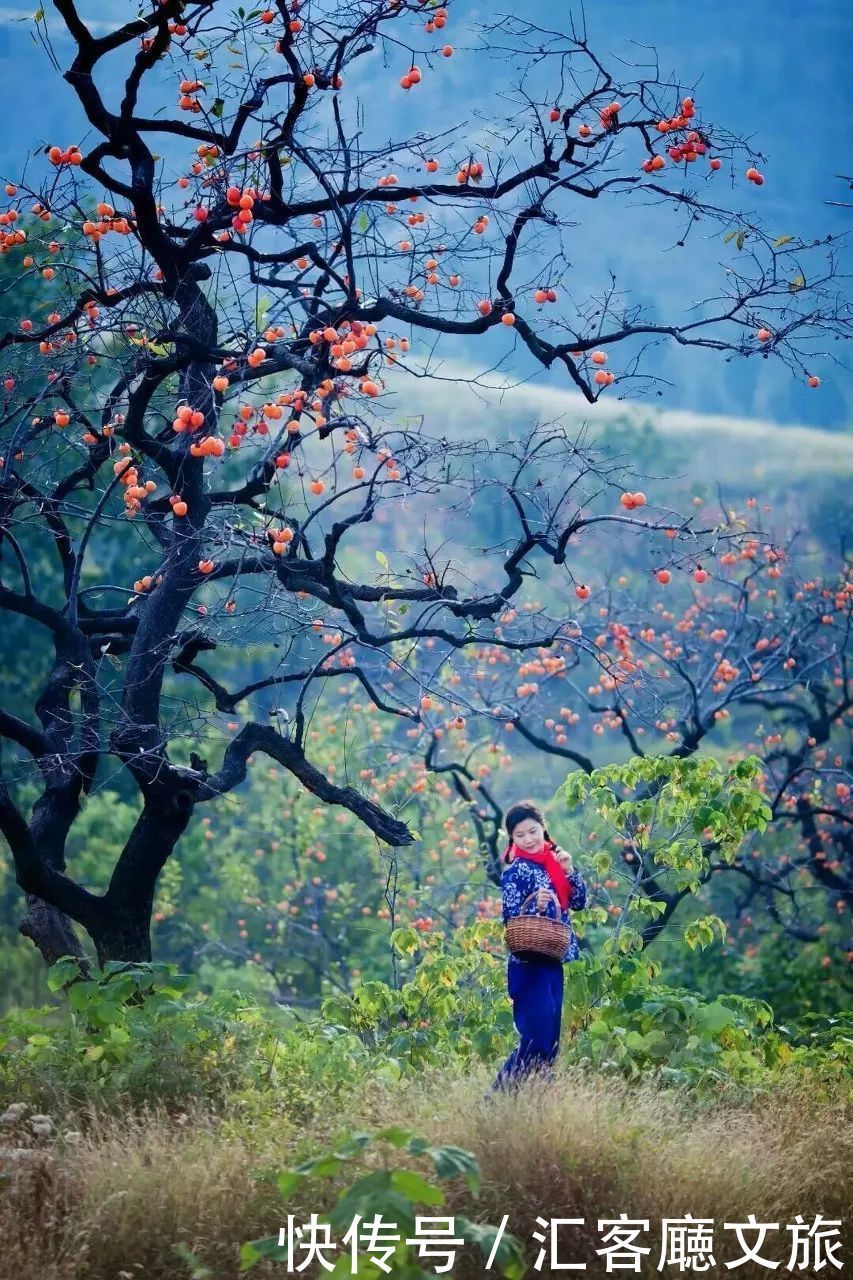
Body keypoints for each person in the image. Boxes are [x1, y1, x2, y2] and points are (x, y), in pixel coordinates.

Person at [491, 799, 587, 1092]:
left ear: (543, 829)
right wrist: (536, 907)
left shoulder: (554, 863)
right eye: (519, 835)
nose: (528, 839)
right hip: (528, 964)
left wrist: (569, 870)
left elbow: (579, 903)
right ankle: (495, 1102)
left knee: (550, 1045)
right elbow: (509, 917)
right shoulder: (515, 872)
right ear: (512, 839)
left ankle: (534, 1103)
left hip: (552, 961)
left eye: (532, 831)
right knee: (535, 1040)